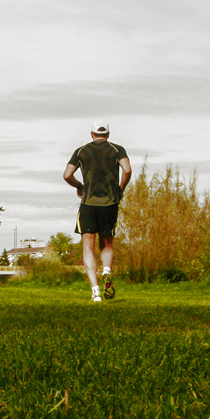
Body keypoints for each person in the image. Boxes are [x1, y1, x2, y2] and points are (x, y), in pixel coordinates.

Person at [63, 120, 132, 302]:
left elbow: (67, 174)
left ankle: (95, 292)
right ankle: (107, 271)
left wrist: (80, 186)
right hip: (110, 203)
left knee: (88, 247)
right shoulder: (118, 150)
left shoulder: (81, 151)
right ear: (108, 134)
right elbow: (127, 169)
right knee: (107, 244)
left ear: (92, 134)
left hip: (88, 204)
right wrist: (121, 188)